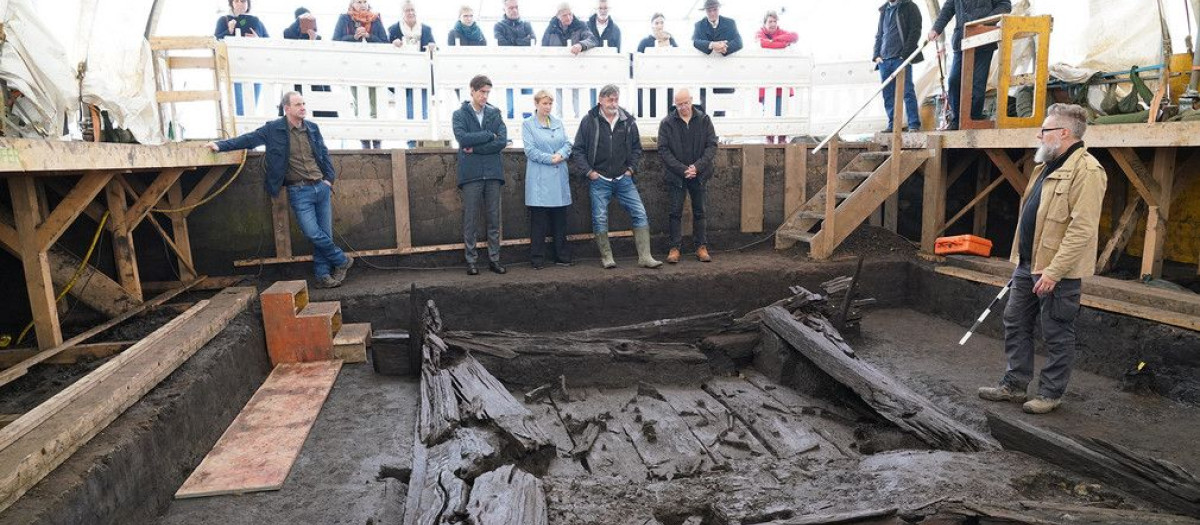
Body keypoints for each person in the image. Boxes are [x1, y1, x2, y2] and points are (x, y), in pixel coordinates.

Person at [978, 104, 1106, 414]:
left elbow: (1082, 229)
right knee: (1015, 321)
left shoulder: (1087, 171)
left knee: (1057, 331)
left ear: (1064, 133)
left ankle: (1050, 394)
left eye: (1045, 130)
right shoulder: (1044, 167)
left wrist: (1054, 271)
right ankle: (1015, 385)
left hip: (1056, 271)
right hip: (1027, 265)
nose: (1039, 135)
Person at [204, 92, 353, 289]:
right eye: (298, 104)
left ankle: (323, 274)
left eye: (303, 103)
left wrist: (329, 179)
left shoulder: (312, 128)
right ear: (287, 108)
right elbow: (249, 139)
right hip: (299, 191)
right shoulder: (273, 129)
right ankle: (342, 260)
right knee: (312, 232)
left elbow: (324, 153)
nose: (303, 107)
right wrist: (220, 145)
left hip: (321, 187)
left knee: (324, 233)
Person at [571, 84, 662, 270]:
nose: (613, 103)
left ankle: (645, 256)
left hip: (624, 178)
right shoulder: (589, 121)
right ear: (600, 100)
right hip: (599, 179)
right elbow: (578, 149)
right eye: (609, 99)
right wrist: (589, 172)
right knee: (600, 217)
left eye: (616, 99)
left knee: (640, 213)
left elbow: (637, 148)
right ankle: (607, 257)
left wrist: (631, 169)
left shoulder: (627, 121)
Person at [452, 75, 509, 276]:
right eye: (482, 92)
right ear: (472, 91)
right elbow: (462, 138)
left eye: (487, 92)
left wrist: (475, 149)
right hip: (471, 174)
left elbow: (502, 141)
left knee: (494, 219)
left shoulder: (495, 113)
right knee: (471, 219)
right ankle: (471, 260)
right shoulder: (459, 114)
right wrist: (487, 135)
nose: (485, 96)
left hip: (493, 173)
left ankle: (494, 259)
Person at [929, 0, 1012, 130]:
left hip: (984, 39)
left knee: (978, 83)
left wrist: (985, 22)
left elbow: (1005, 5)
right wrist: (936, 28)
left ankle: (973, 118)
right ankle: (956, 119)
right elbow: (947, 9)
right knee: (954, 80)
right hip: (962, 40)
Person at [658, 89, 717, 264]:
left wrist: (697, 168)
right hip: (677, 176)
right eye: (679, 104)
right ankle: (675, 247)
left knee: (700, 211)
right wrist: (682, 169)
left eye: (685, 103)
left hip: (699, 175)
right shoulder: (667, 123)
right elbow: (663, 150)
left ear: (691, 101)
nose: (683, 107)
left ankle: (701, 247)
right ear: (675, 104)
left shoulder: (704, 120)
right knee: (675, 212)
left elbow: (711, 146)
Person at [522, 91, 574, 269]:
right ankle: (537, 258)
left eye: (550, 104)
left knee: (560, 220)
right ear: (536, 104)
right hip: (540, 178)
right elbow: (530, 150)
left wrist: (561, 154)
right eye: (544, 103)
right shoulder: (528, 125)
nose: (548, 107)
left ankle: (562, 255)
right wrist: (551, 158)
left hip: (558, 176)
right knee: (539, 222)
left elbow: (568, 143)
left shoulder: (558, 123)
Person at [335, 0, 387, 148]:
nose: (363, 4)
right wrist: (354, 37)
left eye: (365, 1)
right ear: (352, 4)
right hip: (353, 66)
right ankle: (364, 139)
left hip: (374, 67)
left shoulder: (375, 19)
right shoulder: (345, 18)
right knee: (359, 102)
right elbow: (336, 40)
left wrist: (369, 36)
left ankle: (376, 139)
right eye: (359, 1)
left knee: (375, 103)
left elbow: (385, 41)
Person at [874, 0, 924, 132]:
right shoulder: (884, 10)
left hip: (900, 59)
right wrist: (876, 55)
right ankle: (893, 125)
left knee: (907, 91)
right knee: (888, 95)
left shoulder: (910, 6)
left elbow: (915, 31)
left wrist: (905, 55)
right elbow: (879, 34)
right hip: (884, 60)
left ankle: (913, 124)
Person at [215, 0, 267, 117]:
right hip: (235, 67)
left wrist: (257, 39)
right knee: (240, 107)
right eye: (236, 1)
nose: (240, 4)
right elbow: (216, 41)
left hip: (255, 68)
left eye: (243, 1)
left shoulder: (256, 21)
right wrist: (229, 31)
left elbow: (269, 42)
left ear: (248, 3)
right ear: (231, 3)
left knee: (253, 106)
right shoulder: (224, 20)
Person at [757, 10, 797, 142]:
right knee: (767, 111)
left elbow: (794, 36)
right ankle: (769, 138)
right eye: (770, 21)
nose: (773, 24)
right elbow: (762, 43)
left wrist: (774, 40)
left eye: (775, 21)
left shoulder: (782, 32)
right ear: (765, 23)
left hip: (781, 79)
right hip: (766, 80)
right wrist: (782, 44)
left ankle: (781, 138)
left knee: (781, 111)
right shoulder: (760, 33)